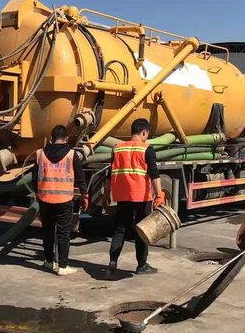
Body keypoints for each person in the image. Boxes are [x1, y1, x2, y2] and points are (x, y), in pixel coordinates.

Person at [103, 118, 165, 278]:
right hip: (141, 197)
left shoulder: (117, 149)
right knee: (142, 231)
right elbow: (154, 175)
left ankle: (112, 262)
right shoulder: (147, 149)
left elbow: (109, 175)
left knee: (120, 229)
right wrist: (160, 195)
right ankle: (142, 265)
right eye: (147, 134)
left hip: (122, 196)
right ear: (144, 132)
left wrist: (105, 195)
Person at [34, 124, 88, 276]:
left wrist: (36, 194)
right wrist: (84, 195)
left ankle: (49, 261)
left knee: (47, 231)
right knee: (64, 233)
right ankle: (62, 266)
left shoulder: (40, 154)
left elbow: (34, 177)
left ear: (51, 139)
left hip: (44, 199)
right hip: (64, 200)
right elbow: (80, 177)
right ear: (66, 138)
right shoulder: (72, 155)